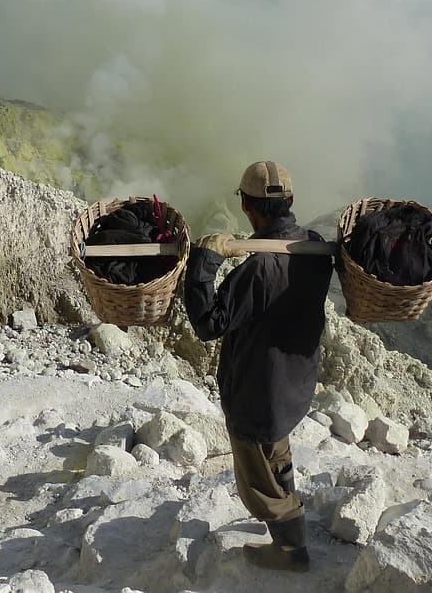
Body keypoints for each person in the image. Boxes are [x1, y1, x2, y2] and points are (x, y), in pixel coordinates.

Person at [184, 160, 334, 572]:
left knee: (256, 480)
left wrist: (204, 263)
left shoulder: (257, 269)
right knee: (277, 451)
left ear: (248, 207)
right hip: (293, 383)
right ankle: (289, 519)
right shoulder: (315, 247)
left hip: (255, 389)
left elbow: (208, 323)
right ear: (291, 201)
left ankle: (290, 549)